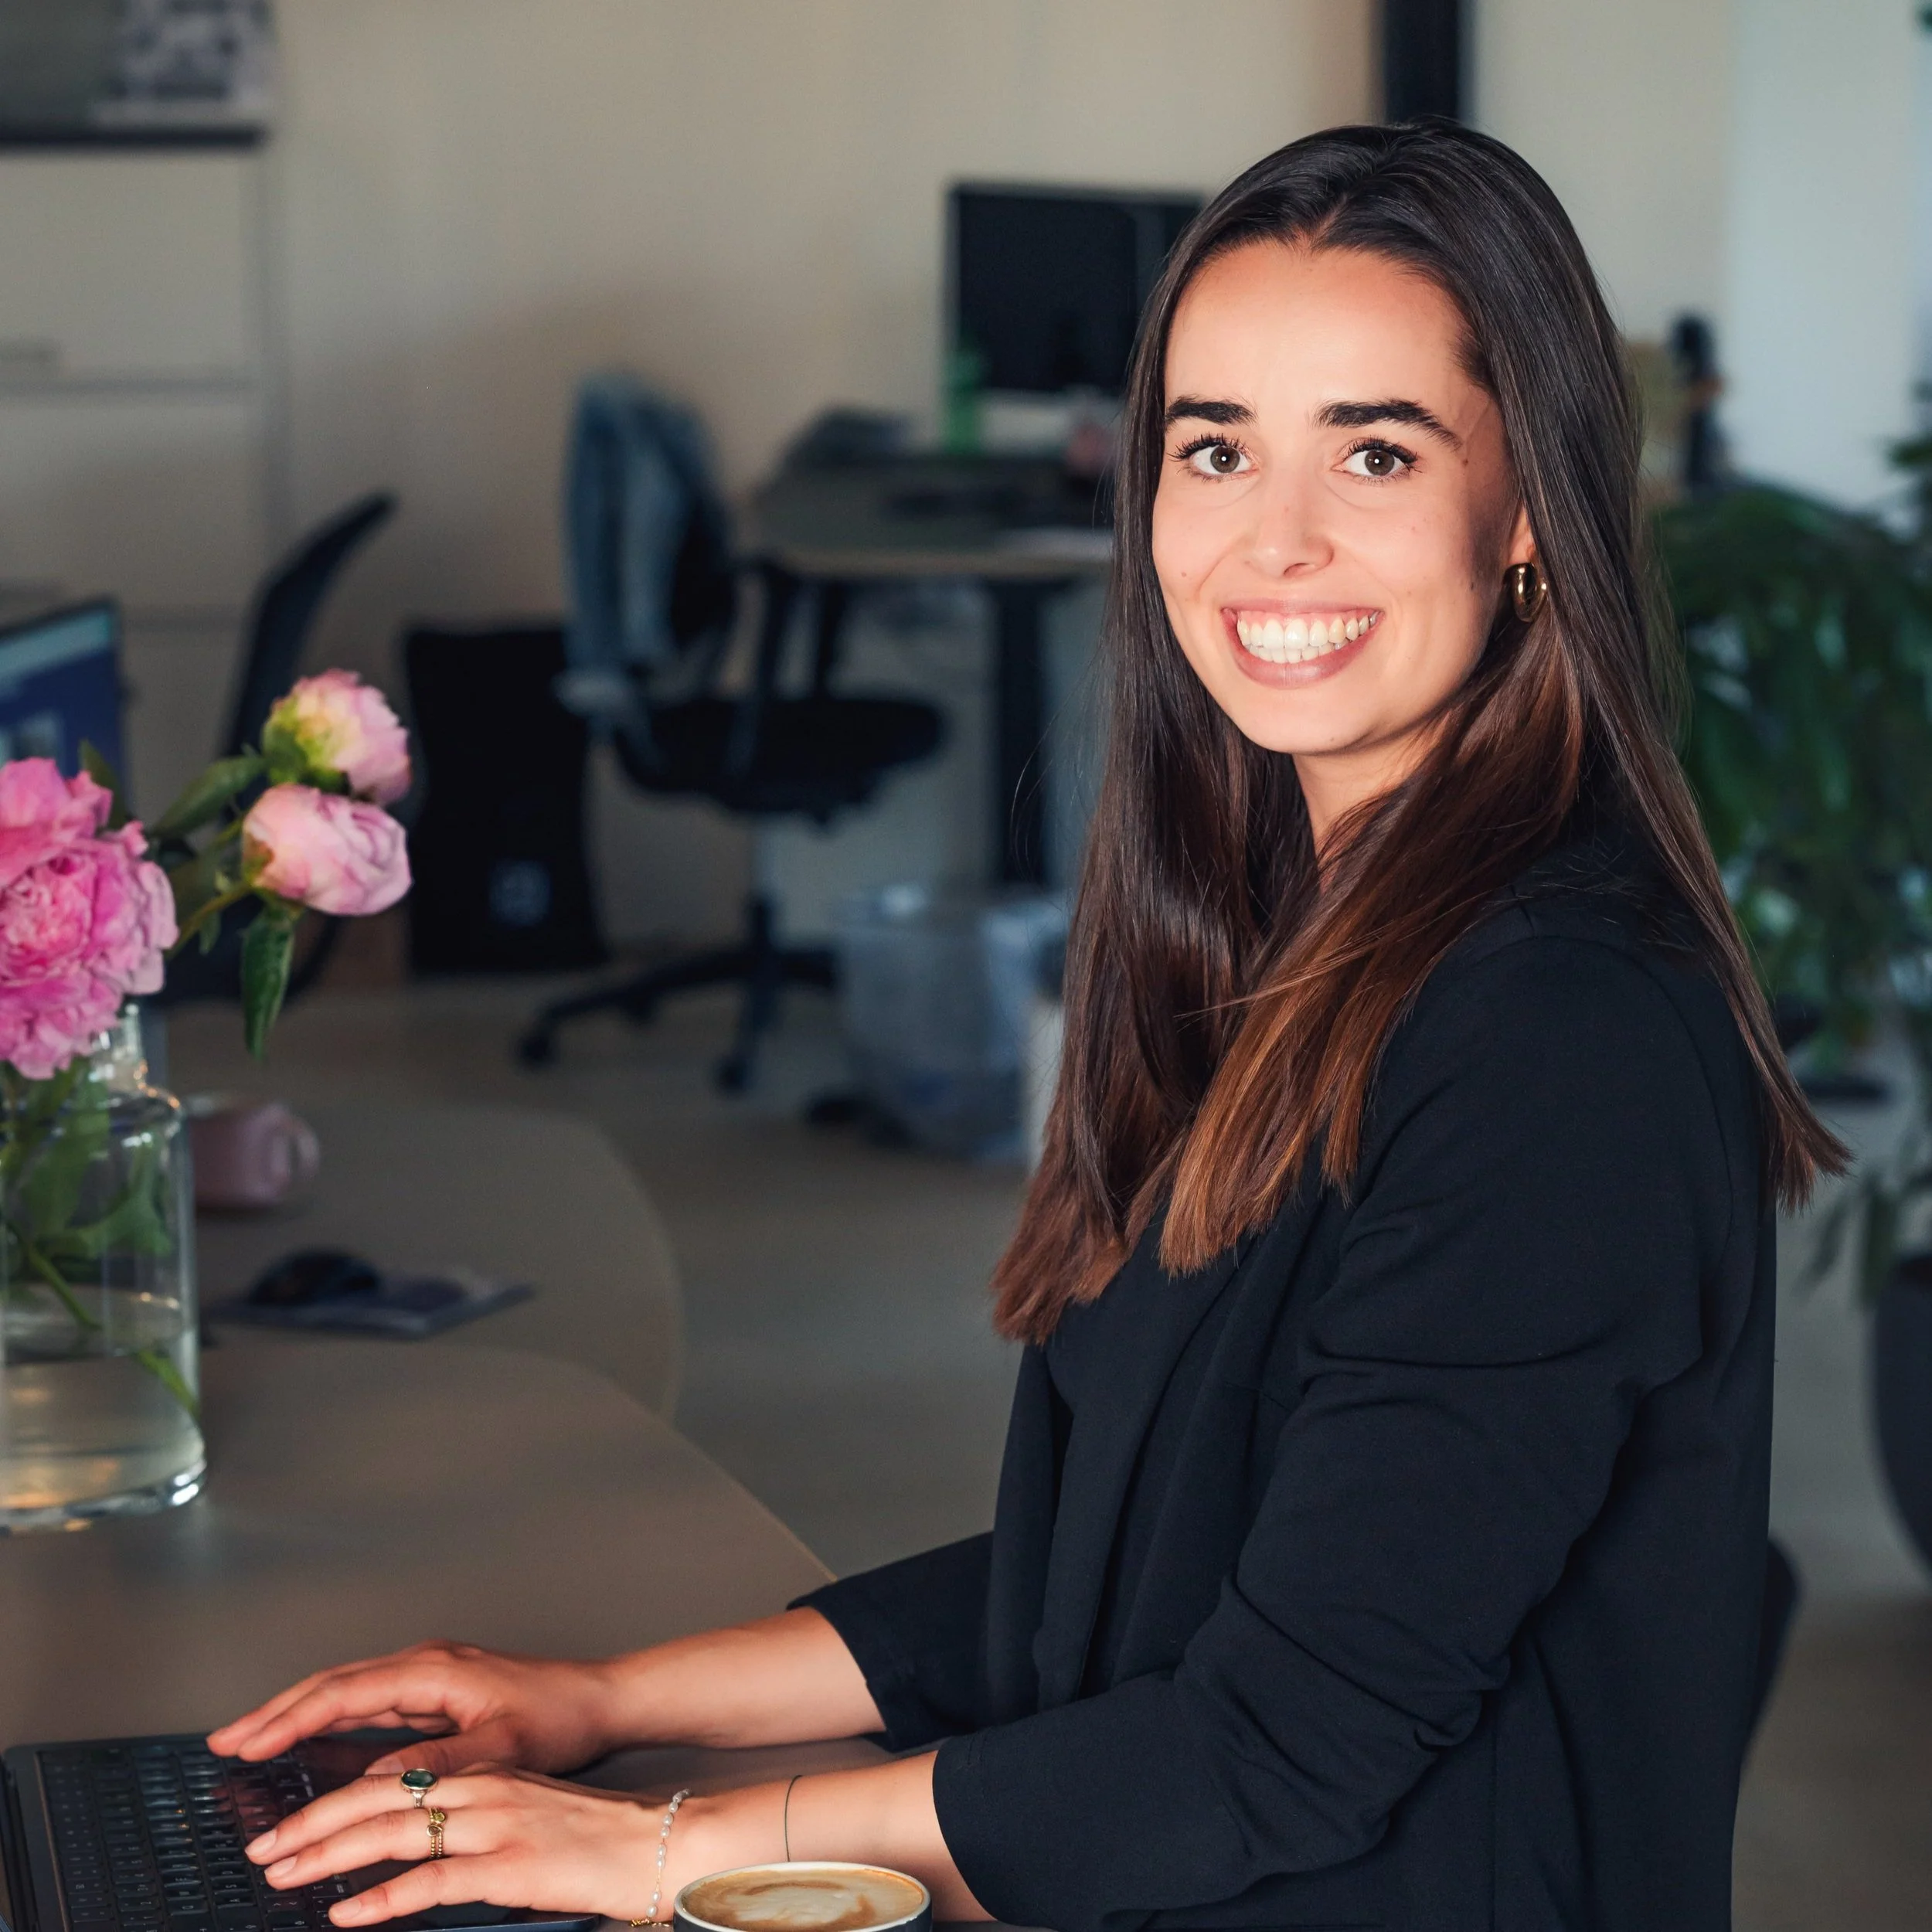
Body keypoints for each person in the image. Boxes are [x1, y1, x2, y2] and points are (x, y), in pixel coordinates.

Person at [208, 121, 1842, 1931]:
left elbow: (1279, 1735)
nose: (1267, 539)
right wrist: (608, 1700)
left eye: (1374, 450)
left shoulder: (1558, 1032)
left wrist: (676, 1853)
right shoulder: (1284, 925)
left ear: (1524, 506)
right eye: (1210, 446)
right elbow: (1125, 1573)